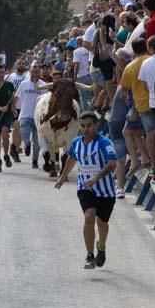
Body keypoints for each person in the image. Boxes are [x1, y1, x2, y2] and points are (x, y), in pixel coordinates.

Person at [55, 110, 118, 269]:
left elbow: (112, 164)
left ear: (96, 125)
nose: (85, 129)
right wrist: (63, 177)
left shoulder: (104, 143)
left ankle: (101, 247)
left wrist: (96, 177)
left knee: (102, 223)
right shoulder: (76, 143)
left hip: (106, 191)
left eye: (89, 126)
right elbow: (71, 158)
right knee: (89, 216)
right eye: (82, 126)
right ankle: (90, 255)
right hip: (85, 188)